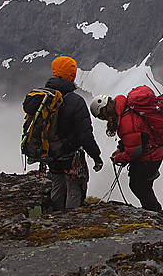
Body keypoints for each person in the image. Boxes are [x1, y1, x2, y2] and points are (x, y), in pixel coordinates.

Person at [46, 55, 104, 210]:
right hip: (70, 156)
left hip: (50, 154)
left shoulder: (44, 98)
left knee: (57, 185)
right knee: (74, 188)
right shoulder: (76, 101)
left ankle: (53, 220)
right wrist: (97, 157)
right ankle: (69, 223)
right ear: (72, 75)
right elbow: (85, 135)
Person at [90, 92, 163, 211]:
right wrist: (120, 148)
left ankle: (154, 212)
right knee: (140, 185)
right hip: (153, 153)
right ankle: (153, 211)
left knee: (140, 186)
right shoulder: (123, 109)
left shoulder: (125, 121)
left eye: (101, 117)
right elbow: (132, 137)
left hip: (149, 157)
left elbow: (133, 151)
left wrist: (118, 158)